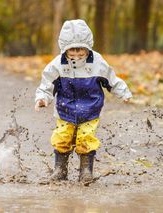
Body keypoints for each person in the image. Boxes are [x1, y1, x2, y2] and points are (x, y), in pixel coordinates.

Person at [35, 19, 132, 183]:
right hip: (65, 110)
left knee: (86, 139)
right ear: (64, 50)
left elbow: (111, 79)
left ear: (88, 49)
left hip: (91, 109)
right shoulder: (57, 65)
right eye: (72, 55)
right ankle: (60, 170)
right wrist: (42, 98)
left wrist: (123, 92)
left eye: (81, 54)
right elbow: (47, 84)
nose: (77, 58)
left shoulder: (98, 62)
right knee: (62, 137)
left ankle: (86, 171)